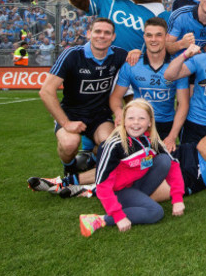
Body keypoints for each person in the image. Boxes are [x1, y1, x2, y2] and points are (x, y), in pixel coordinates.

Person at [78, 99, 185, 237]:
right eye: (131, 118)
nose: (136, 123)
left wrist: (177, 199)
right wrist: (118, 216)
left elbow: (173, 165)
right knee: (155, 212)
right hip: (118, 190)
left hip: (136, 185)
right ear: (123, 121)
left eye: (141, 118)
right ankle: (98, 219)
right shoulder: (113, 145)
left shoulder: (151, 139)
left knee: (164, 160)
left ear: (149, 122)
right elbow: (102, 183)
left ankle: (134, 203)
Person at [38, 18, 127, 177]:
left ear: (113, 37)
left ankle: (91, 158)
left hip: (100, 115)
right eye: (97, 31)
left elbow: (140, 63)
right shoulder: (72, 54)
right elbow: (46, 91)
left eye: (107, 33)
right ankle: (70, 168)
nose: (102, 36)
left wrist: (135, 53)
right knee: (69, 144)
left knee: (111, 145)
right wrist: (65, 122)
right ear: (88, 34)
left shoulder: (119, 55)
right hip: (71, 114)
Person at [109, 18, 190, 151]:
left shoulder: (177, 66)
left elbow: (183, 103)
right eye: (149, 35)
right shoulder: (132, 65)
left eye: (159, 35)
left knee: (162, 164)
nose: (153, 39)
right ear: (144, 37)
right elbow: (116, 97)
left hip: (165, 124)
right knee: (124, 158)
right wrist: (119, 113)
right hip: (137, 122)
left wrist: (172, 136)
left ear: (167, 37)